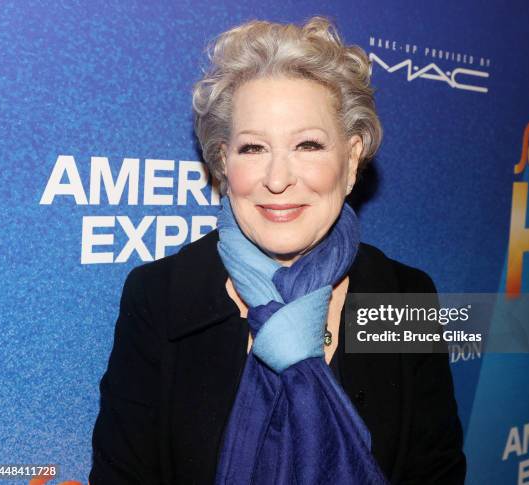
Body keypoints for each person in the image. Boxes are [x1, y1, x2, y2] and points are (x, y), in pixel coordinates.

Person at [89, 16, 466, 485]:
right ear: (224, 163)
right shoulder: (159, 297)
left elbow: (435, 473)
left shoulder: (406, 295)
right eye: (253, 149)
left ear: (350, 161)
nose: (278, 178)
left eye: (308, 144)